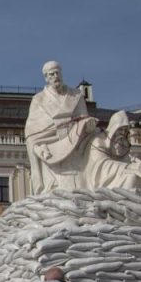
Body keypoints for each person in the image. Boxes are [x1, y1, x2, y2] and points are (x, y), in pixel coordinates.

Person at [24, 61, 96, 194]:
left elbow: (84, 119)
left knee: (78, 190)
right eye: (51, 74)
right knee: (56, 193)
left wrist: (88, 125)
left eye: (58, 73)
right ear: (46, 78)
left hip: (74, 146)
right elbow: (31, 132)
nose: (55, 76)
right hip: (51, 150)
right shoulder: (38, 100)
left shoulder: (76, 96)